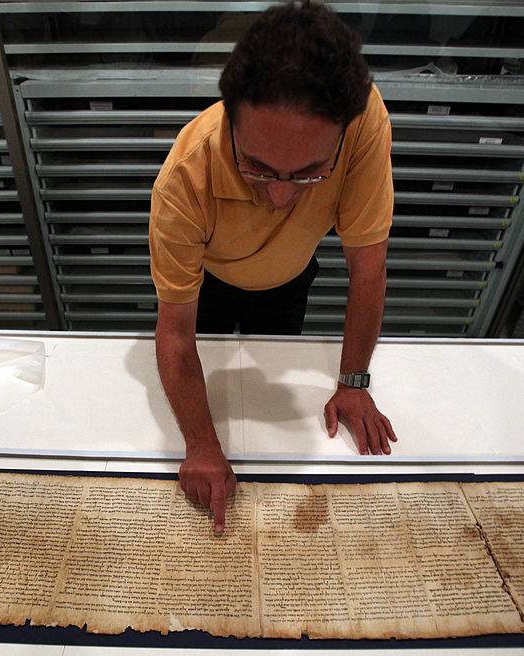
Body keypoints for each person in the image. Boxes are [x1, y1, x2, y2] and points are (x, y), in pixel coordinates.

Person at [149, 1, 396, 533]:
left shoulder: (364, 119)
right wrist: (201, 446)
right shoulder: (184, 178)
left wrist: (353, 382)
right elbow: (174, 334)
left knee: (270, 377)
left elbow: (368, 266)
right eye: (256, 168)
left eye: (309, 172)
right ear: (230, 119)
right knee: (209, 382)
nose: (282, 196)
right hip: (209, 285)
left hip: (289, 280)